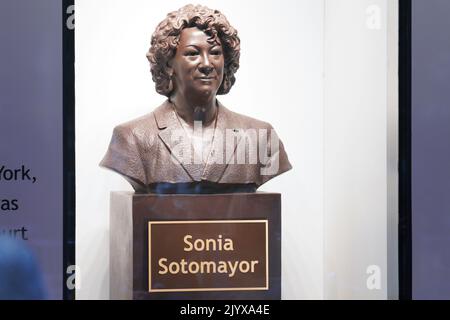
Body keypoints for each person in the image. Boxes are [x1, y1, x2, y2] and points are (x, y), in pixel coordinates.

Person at [100, 4, 291, 194]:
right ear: (168, 65)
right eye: (193, 53)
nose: (207, 64)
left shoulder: (260, 137)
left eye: (215, 53)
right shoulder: (132, 138)